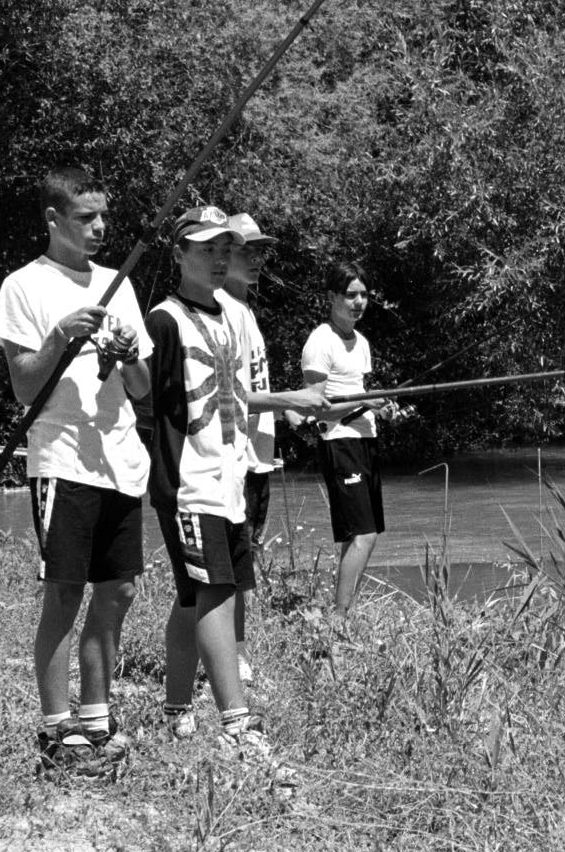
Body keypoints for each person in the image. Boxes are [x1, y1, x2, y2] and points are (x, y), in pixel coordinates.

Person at [0, 165, 151, 778]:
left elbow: (140, 390)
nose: (100, 228)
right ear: (54, 220)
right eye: (87, 218)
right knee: (65, 589)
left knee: (121, 589)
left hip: (121, 459)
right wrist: (60, 336)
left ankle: (97, 714)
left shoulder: (120, 285)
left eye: (104, 216)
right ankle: (56, 729)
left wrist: (129, 357)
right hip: (62, 458)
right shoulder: (22, 286)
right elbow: (24, 386)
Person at [147, 205, 322, 754]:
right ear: (178, 255)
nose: (220, 258)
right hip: (188, 483)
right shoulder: (164, 320)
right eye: (206, 249)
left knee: (192, 598)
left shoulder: (229, 316)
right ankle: (236, 727)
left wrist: (294, 405)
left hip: (229, 477)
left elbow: (238, 396)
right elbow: (145, 403)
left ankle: (177, 708)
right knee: (215, 591)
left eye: (226, 248)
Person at [217, 213, 327, 682]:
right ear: (223, 254)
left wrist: (289, 411)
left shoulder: (245, 310)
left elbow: (253, 390)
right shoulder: (222, 308)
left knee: (247, 558)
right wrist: (290, 398)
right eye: (248, 249)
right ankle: (229, 658)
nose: (258, 258)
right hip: (234, 458)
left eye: (262, 250)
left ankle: (236, 653)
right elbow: (227, 393)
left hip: (259, 454)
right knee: (230, 566)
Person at [301, 261, 387, 628]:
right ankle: (340, 621)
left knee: (360, 535)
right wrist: (363, 401)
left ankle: (341, 615)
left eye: (364, 295)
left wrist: (376, 403)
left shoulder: (362, 342)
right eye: (351, 295)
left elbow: (359, 392)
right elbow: (314, 406)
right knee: (363, 535)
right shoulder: (320, 341)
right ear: (332, 297)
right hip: (339, 442)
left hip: (365, 439)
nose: (358, 302)